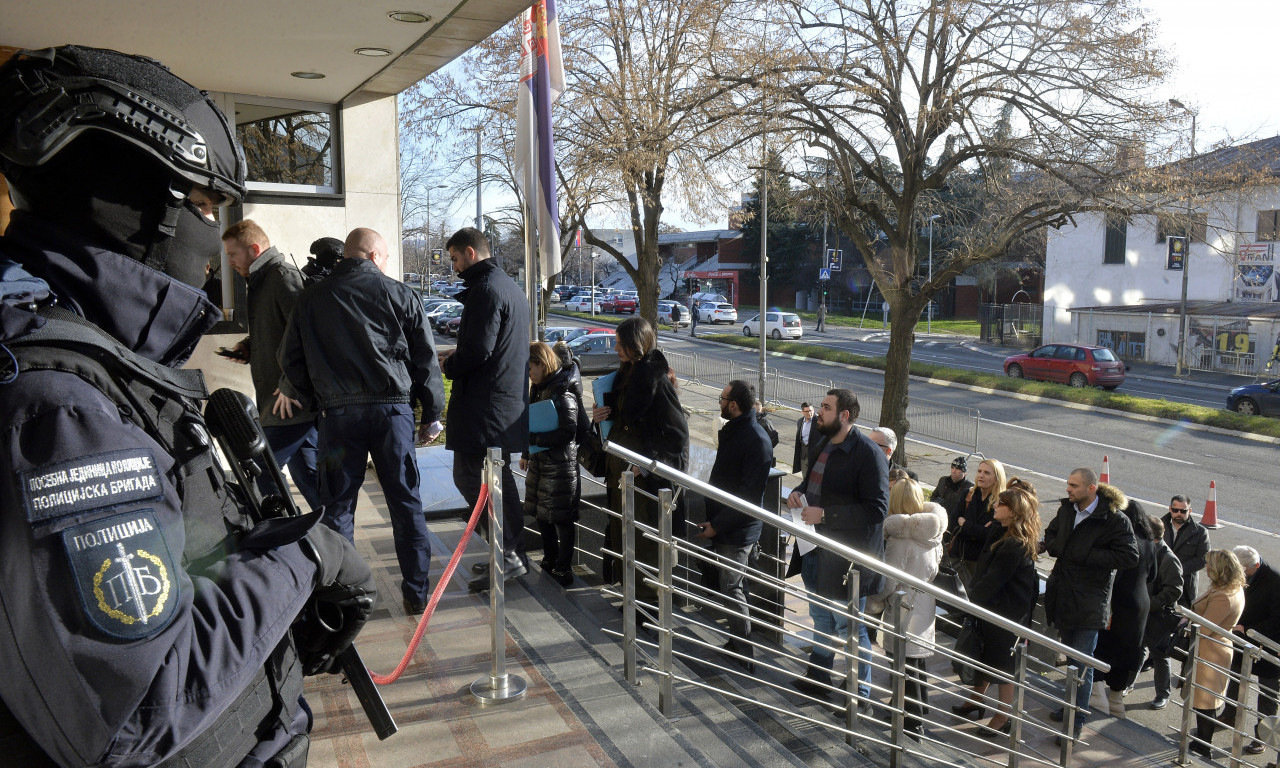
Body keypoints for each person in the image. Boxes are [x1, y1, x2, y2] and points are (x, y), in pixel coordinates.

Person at [0, 44, 374, 766]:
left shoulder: (94, 359)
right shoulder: (58, 409)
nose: (213, 239)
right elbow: (139, 707)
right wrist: (307, 555)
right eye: (203, 204)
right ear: (138, 208)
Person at [280, 226, 444, 615]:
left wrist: (310, 397)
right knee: (405, 503)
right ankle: (416, 594)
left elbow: (290, 358)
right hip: (392, 416)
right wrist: (431, 414)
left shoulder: (311, 297)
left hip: (337, 418)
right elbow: (425, 359)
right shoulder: (400, 294)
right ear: (374, 256)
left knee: (337, 507)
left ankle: (344, 598)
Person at [437, 227, 531, 592]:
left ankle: (508, 553)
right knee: (494, 481)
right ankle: (509, 553)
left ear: (471, 253)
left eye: (455, 258)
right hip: (501, 407)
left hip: (485, 409)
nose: (455, 267)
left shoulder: (487, 291)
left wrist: (450, 364)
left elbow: (478, 351)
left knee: (475, 480)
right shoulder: (506, 286)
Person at [785, 389, 888, 711]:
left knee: (850, 626)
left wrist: (825, 514)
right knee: (819, 615)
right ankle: (818, 676)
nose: (819, 413)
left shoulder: (869, 454)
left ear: (844, 415)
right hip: (814, 545)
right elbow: (812, 484)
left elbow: (877, 509)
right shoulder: (822, 441)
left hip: (846, 557)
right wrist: (798, 493)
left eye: (826, 408)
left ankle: (861, 697)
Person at [220, 219, 321, 512]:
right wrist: (249, 347)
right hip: (281, 399)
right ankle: (335, 534)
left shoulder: (281, 276)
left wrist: (290, 386)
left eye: (232, 255)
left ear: (254, 248)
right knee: (309, 476)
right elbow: (281, 331)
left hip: (288, 400)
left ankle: (283, 538)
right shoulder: (262, 278)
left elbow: (307, 334)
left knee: (263, 472)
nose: (229, 262)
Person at [592, 317, 690, 600]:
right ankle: (631, 600)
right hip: (620, 474)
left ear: (637, 344)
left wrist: (646, 465)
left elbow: (677, 434)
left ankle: (646, 607)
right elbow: (622, 421)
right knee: (624, 539)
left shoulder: (655, 379)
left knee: (644, 544)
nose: (616, 348)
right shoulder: (627, 374)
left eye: (621, 343)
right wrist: (599, 416)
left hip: (643, 481)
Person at [1042, 467, 1139, 741]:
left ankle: (1076, 722)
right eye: (1068, 484)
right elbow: (1051, 535)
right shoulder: (1067, 510)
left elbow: (1130, 556)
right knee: (1071, 662)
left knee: (1081, 664)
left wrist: (1086, 554)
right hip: (1063, 596)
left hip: (1090, 603)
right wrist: (1058, 547)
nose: (1068, 489)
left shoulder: (1115, 520)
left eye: (1074, 485)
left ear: (1091, 488)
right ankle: (1071, 707)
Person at [952, 481, 1041, 740]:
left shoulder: (1014, 543)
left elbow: (993, 580)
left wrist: (967, 601)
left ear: (1013, 511)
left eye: (1001, 504)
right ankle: (977, 699)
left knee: (1003, 666)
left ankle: (1004, 716)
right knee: (988, 657)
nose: (995, 506)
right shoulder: (1001, 532)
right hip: (995, 611)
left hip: (1006, 615)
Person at [696, 379, 773, 671]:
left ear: (734, 405)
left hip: (737, 530)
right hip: (729, 525)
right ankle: (737, 640)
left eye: (722, 398)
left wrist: (717, 525)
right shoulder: (739, 430)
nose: (719, 402)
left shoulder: (755, 439)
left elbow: (748, 496)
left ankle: (744, 652)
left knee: (733, 588)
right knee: (735, 586)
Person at [867, 478, 946, 738]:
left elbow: (889, 580)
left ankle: (910, 721)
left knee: (901, 663)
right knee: (915, 660)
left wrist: (874, 602)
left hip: (903, 605)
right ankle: (916, 709)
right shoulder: (933, 532)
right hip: (924, 600)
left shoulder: (899, 538)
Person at [520, 341, 583, 587]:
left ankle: (563, 568)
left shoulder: (563, 389)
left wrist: (537, 440)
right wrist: (527, 450)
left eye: (530, 368)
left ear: (542, 363)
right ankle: (549, 560)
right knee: (542, 515)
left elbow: (570, 431)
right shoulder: (539, 387)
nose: (529, 374)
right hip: (540, 461)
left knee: (562, 519)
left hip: (560, 465)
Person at [1092, 484, 1156, 719]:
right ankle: (1117, 701)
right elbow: (1153, 575)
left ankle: (1098, 696)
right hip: (1140, 604)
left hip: (1116, 603)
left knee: (1103, 646)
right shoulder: (1149, 542)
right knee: (1128, 649)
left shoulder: (1121, 540)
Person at [1185, 549, 1247, 759]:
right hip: (1214, 649)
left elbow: (1204, 628)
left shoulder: (1223, 596)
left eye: (1209, 565)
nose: (1206, 567)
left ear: (1220, 569)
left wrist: (1187, 622)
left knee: (1206, 702)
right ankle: (1201, 740)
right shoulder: (1231, 587)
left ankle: (1204, 745)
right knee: (1205, 700)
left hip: (1210, 653)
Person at [1223, 545, 1280, 756]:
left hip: (1268, 646)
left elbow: (1277, 620)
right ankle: (1229, 714)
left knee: (1267, 695)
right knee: (1235, 679)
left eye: (1240, 568)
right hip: (1242, 640)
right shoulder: (1245, 573)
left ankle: (1261, 737)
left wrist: (1249, 630)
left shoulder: (1275, 581)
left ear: (1253, 566)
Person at [1143, 515, 1184, 711]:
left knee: (1159, 655)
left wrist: (1151, 604)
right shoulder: (1146, 549)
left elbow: (1175, 590)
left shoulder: (1168, 558)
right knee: (1136, 649)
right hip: (1142, 612)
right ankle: (1125, 685)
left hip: (1157, 615)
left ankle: (1162, 694)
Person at [952, 458, 1007, 585]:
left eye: (987, 473)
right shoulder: (969, 494)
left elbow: (989, 534)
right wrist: (976, 529)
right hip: (957, 556)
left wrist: (965, 524)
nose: (981, 475)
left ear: (997, 478)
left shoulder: (1000, 504)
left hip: (979, 564)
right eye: (979, 471)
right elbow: (953, 521)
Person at [1163, 494, 1210, 609]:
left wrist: (1177, 570)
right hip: (1162, 582)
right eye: (1175, 510)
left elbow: (1203, 559)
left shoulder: (1200, 532)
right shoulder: (1159, 526)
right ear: (1170, 509)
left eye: (1183, 511)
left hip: (1186, 587)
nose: (1179, 513)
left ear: (1190, 511)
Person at [931, 456, 973, 521]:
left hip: (956, 521)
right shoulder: (943, 480)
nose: (954, 471)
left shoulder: (969, 487)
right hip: (939, 516)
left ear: (964, 473)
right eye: (952, 468)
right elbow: (933, 497)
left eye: (958, 469)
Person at [793, 402, 816, 474]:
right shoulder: (800, 421)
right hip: (803, 455)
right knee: (805, 477)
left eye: (811, 410)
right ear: (802, 412)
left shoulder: (819, 422)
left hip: (814, 455)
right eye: (807, 411)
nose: (810, 413)